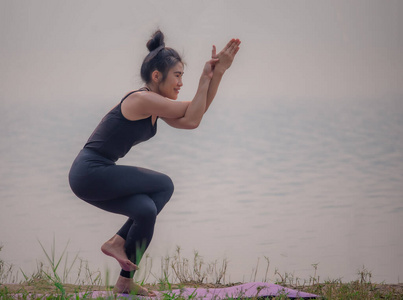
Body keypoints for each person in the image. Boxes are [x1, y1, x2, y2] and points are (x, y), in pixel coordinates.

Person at [68, 30, 240, 296]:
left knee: (146, 210)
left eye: (183, 76)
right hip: (90, 171)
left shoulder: (156, 106)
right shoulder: (142, 99)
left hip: (94, 175)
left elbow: (195, 115)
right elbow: (194, 112)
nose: (181, 82)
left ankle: (124, 281)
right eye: (177, 76)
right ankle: (117, 241)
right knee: (164, 184)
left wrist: (217, 74)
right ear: (157, 76)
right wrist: (208, 77)